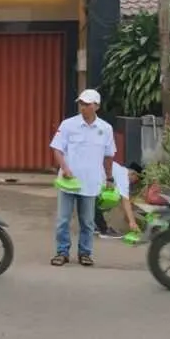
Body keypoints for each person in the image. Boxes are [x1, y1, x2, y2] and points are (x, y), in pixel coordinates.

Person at [50, 89, 115, 267]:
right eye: (81, 103)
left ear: (97, 106)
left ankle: (85, 253)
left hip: (91, 182)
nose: (83, 107)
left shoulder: (105, 129)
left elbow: (109, 156)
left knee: (87, 222)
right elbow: (57, 148)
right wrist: (64, 167)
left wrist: (109, 178)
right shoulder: (68, 125)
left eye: (87, 104)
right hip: (68, 182)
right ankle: (62, 252)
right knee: (63, 220)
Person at [94, 161, 143, 239]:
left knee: (103, 197)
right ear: (133, 174)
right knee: (109, 200)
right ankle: (104, 230)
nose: (134, 182)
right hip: (90, 179)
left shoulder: (118, 170)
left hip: (91, 177)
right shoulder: (123, 176)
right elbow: (125, 200)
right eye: (136, 179)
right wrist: (132, 222)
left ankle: (94, 225)